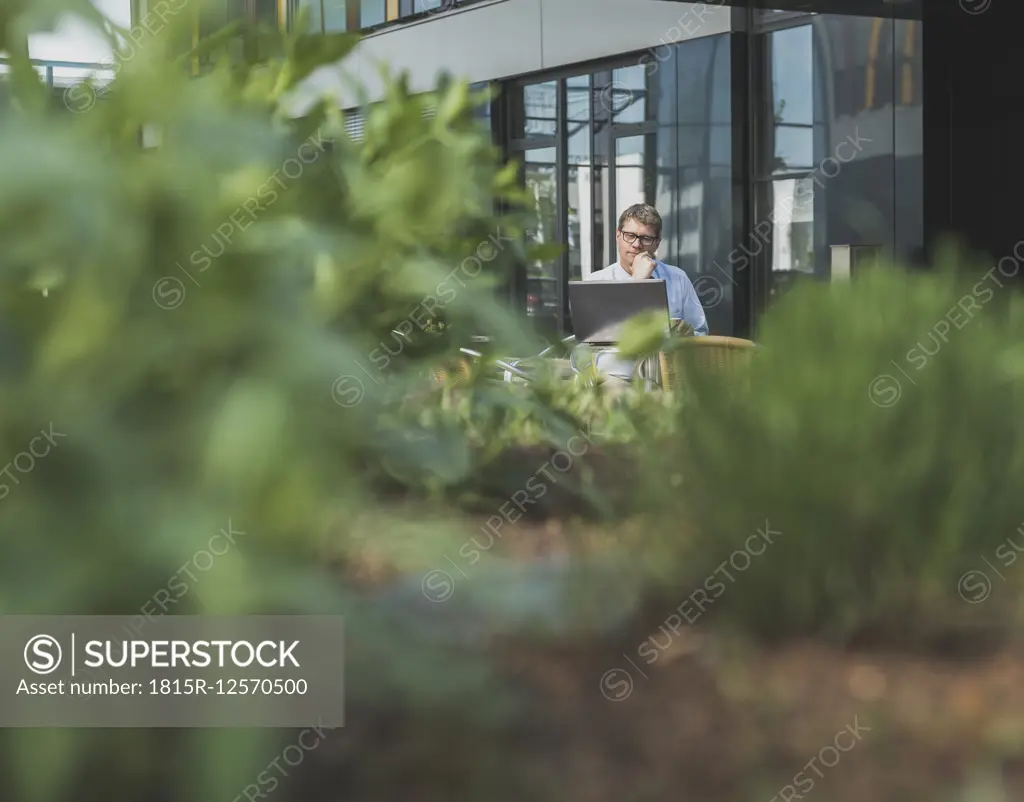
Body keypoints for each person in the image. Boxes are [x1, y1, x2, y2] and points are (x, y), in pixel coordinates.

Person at [581, 203, 707, 381]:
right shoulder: (596, 282)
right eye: (630, 236)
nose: (637, 245)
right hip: (617, 377)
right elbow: (588, 347)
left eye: (646, 238)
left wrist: (688, 336)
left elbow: (701, 333)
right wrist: (638, 280)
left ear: (656, 244)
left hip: (668, 377)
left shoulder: (678, 278)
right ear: (618, 236)